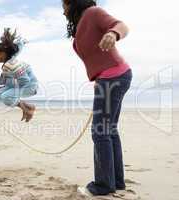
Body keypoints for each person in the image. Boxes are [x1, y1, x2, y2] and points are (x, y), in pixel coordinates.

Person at [62, 0, 132, 196]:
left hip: (114, 76)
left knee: (100, 131)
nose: (63, 11)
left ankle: (103, 185)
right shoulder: (82, 26)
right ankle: (116, 182)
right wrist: (99, 79)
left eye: (65, 5)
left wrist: (112, 33)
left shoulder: (93, 12)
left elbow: (122, 26)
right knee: (109, 130)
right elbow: (95, 57)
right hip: (110, 78)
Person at [0, 28, 38, 122]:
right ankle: (27, 107)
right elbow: (17, 49)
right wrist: (21, 42)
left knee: (6, 97)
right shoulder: (9, 58)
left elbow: (25, 81)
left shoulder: (12, 65)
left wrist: (11, 87)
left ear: (3, 54)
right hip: (23, 84)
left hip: (30, 86)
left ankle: (27, 109)